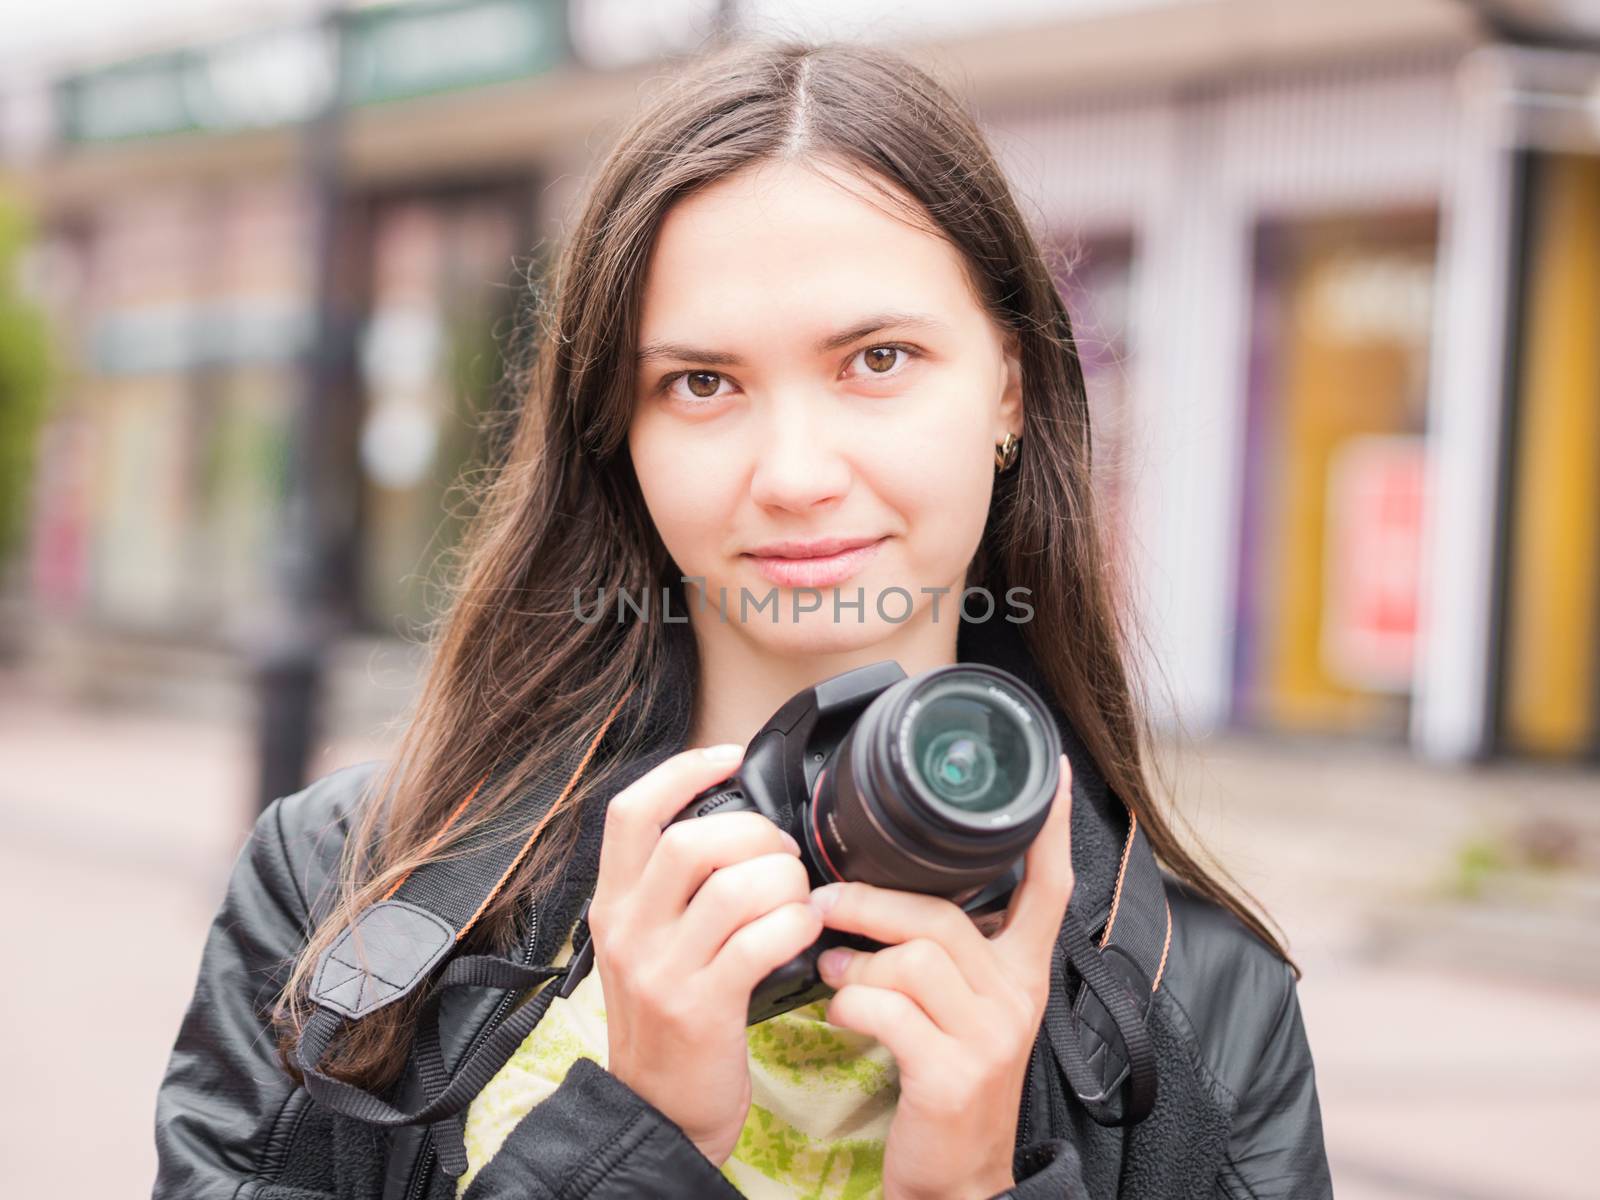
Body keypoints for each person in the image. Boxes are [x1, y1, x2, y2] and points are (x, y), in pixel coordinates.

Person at [153, 38, 1333, 1200]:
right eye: (702, 383)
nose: (795, 472)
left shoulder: (1210, 1005)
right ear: (620, 430)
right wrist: (632, 1136)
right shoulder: (348, 893)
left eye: (877, 358)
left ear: (1010, 387)